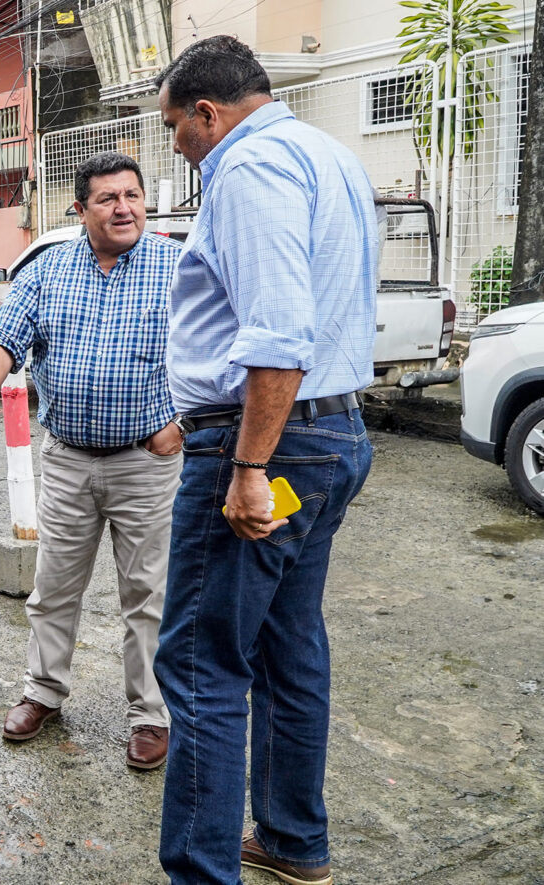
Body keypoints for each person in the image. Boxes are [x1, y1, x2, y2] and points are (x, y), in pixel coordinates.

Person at [152, 36, 378, 885]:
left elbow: (278, 333)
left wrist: (247, 467)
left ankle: (201, 873)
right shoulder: (326, 153)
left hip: (263, 441)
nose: (176, 145)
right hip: (332, 435)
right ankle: (290, 838)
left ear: (207, 113)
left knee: (202, 660)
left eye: (175, 128)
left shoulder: (247, 168)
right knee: (288, 644)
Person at [0, 151, 184, 769]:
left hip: (145, 463)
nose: (124, 208)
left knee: (148, 595)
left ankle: (150, 715)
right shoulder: (49, 273)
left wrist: (183, 423)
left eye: (133, 195)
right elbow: (2, 341)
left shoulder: (178, 267)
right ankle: (43, 691)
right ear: (80, 210)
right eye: (108, 198)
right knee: (52, 589)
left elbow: (214, 353)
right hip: (69, 459)